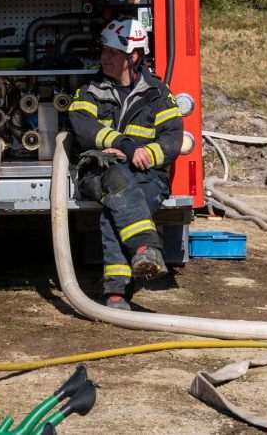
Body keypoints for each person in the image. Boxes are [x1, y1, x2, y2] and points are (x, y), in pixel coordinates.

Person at [69, 18, 184, 311]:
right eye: (104, 51)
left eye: (112, 53)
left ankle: (117, 293)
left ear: (133, 57)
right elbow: (83, 128)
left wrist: (146, 154)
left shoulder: (158, 94)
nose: (104, 57)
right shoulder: (90, 91)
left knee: (118, 209)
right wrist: (125, 146)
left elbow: (172, 139)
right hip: (101, 170)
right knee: (119, 184)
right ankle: (146, 248)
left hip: (148, 175)